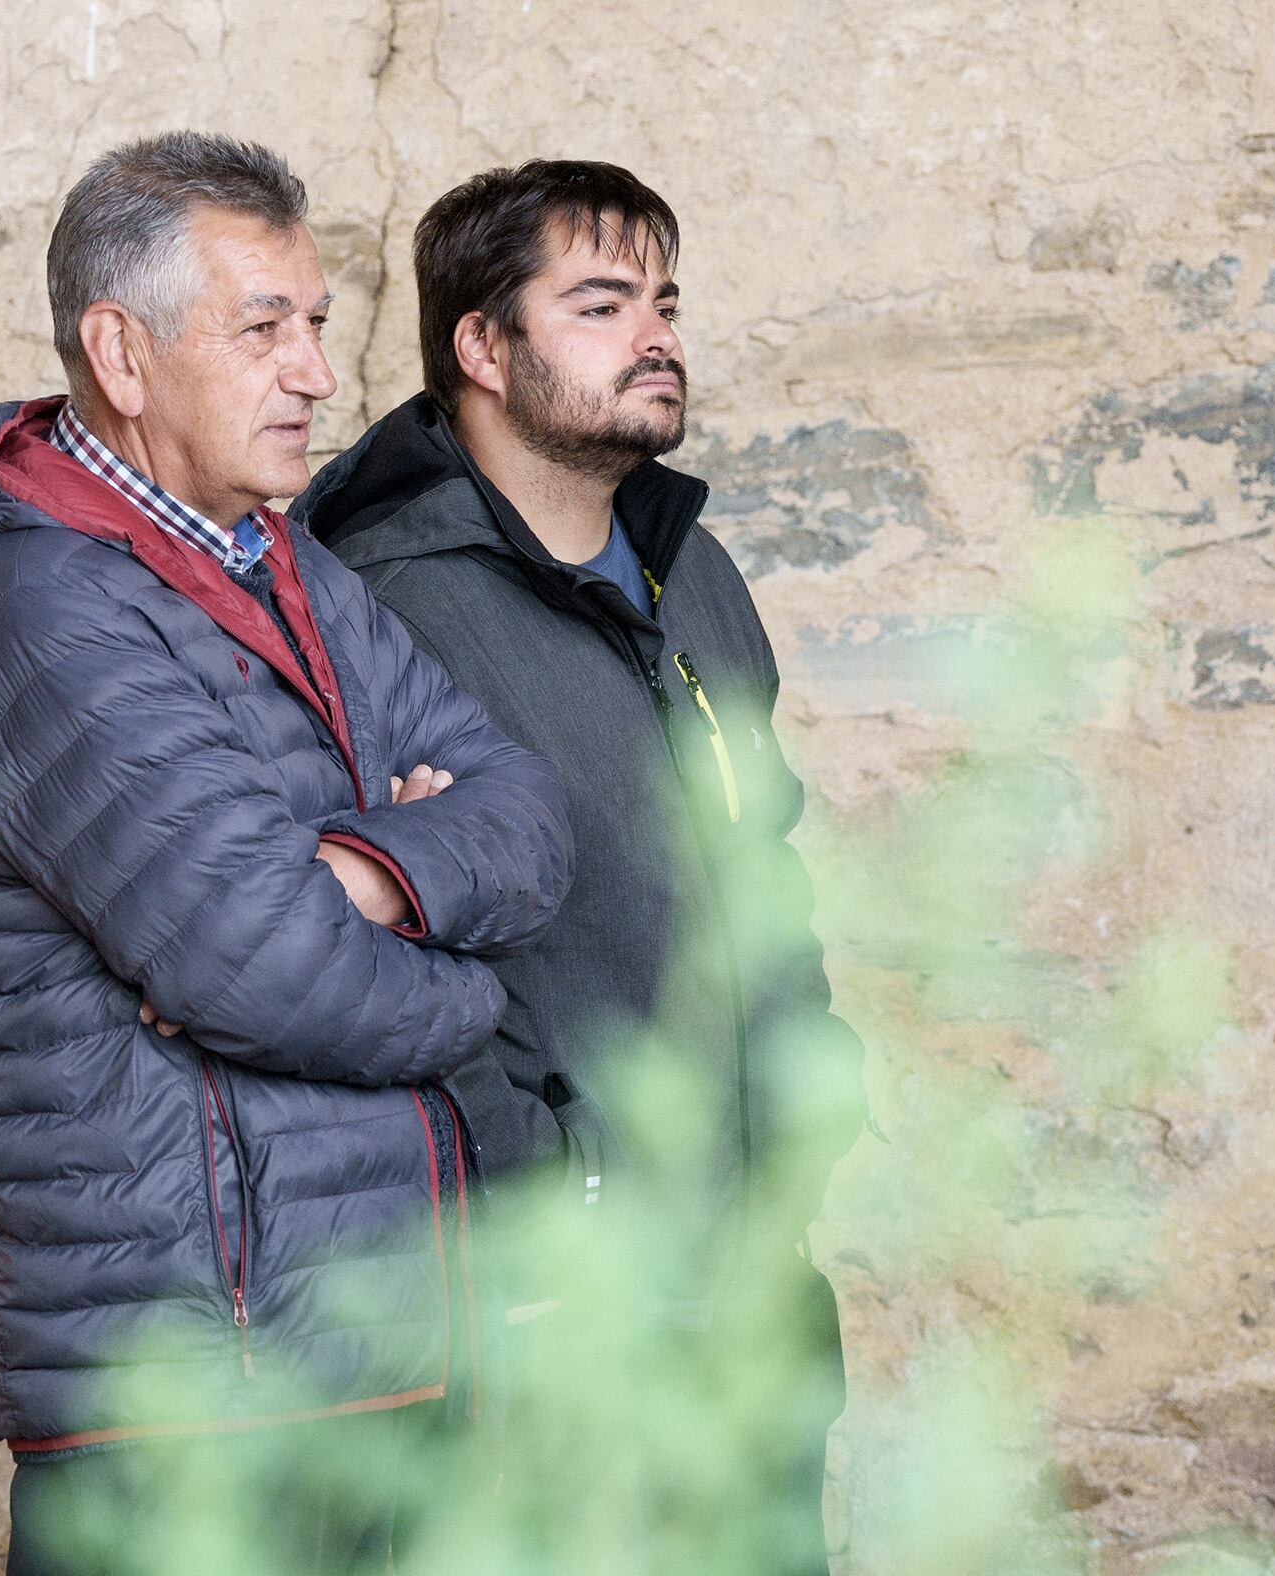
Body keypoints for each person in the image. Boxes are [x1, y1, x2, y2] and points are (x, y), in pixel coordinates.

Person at [0, 132, 573, 1576]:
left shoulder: (286, 562)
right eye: (265, 330)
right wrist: (471, 991)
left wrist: (368, 876)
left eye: (317, 325)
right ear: (120, 356)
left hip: (370, 1343)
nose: (319, 374)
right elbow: (264, 966)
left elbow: (527, 808)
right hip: (196, 1388)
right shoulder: (40, 613)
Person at [298, 158, 864, 1576]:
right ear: (482, 346)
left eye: (664, 301)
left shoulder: (695, 572)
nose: (656, 334)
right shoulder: (373, 603)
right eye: (602, 304)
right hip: (545, 1308)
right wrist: (550, 1194)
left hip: (749, 1277)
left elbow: (763, 860)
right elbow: (361, 957)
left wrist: (812, 1094)